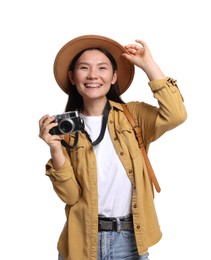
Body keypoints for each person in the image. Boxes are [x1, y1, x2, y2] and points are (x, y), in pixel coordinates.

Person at [39, 35, 187, 260]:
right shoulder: (65, 129)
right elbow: (70, 196)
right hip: (80, 243)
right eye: (84, 68)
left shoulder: (133, 115)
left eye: (102, 68)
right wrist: (55, 149)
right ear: (72, 76)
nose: (93, 75)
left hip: (130, 242)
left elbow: (176, 114)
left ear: (114, 76)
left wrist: (149, 66)